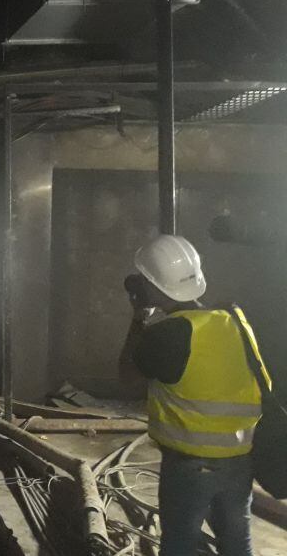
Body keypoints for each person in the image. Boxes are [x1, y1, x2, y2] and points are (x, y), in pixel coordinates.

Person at [120, 234, 271, 556]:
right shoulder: (233, 319)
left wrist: (138, 316)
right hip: (240, 457)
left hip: (190, 464)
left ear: (154, 286)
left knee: (179, 543)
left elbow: (127, 379)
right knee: (236, 541)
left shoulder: (169, 333)